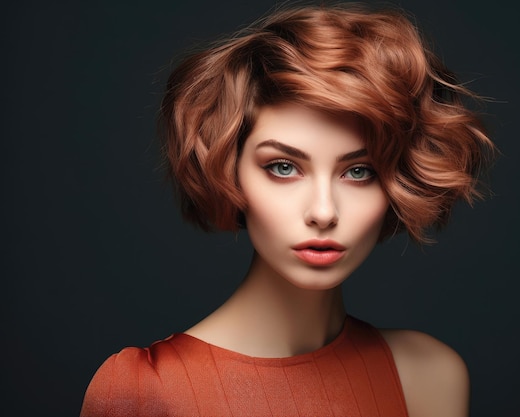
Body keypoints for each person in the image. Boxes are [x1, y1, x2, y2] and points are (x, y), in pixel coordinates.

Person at [80, 2, 493, 416]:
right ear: (230, 168)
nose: (323, 211)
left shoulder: (428, 377)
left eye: (359, 172)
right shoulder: (144, 390)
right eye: (283, 167)